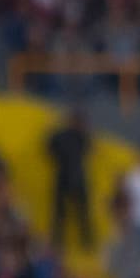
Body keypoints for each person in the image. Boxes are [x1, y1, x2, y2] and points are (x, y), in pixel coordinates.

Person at [46, 107, 94, 250]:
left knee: (82, 213)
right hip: (66, 176)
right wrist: (59, 159)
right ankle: (58, 241)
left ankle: (86, 242)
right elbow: (49, 147)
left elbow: (88, 150)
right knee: (60, 213)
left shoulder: (82, 136)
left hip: (76, 176)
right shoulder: (60, 135)